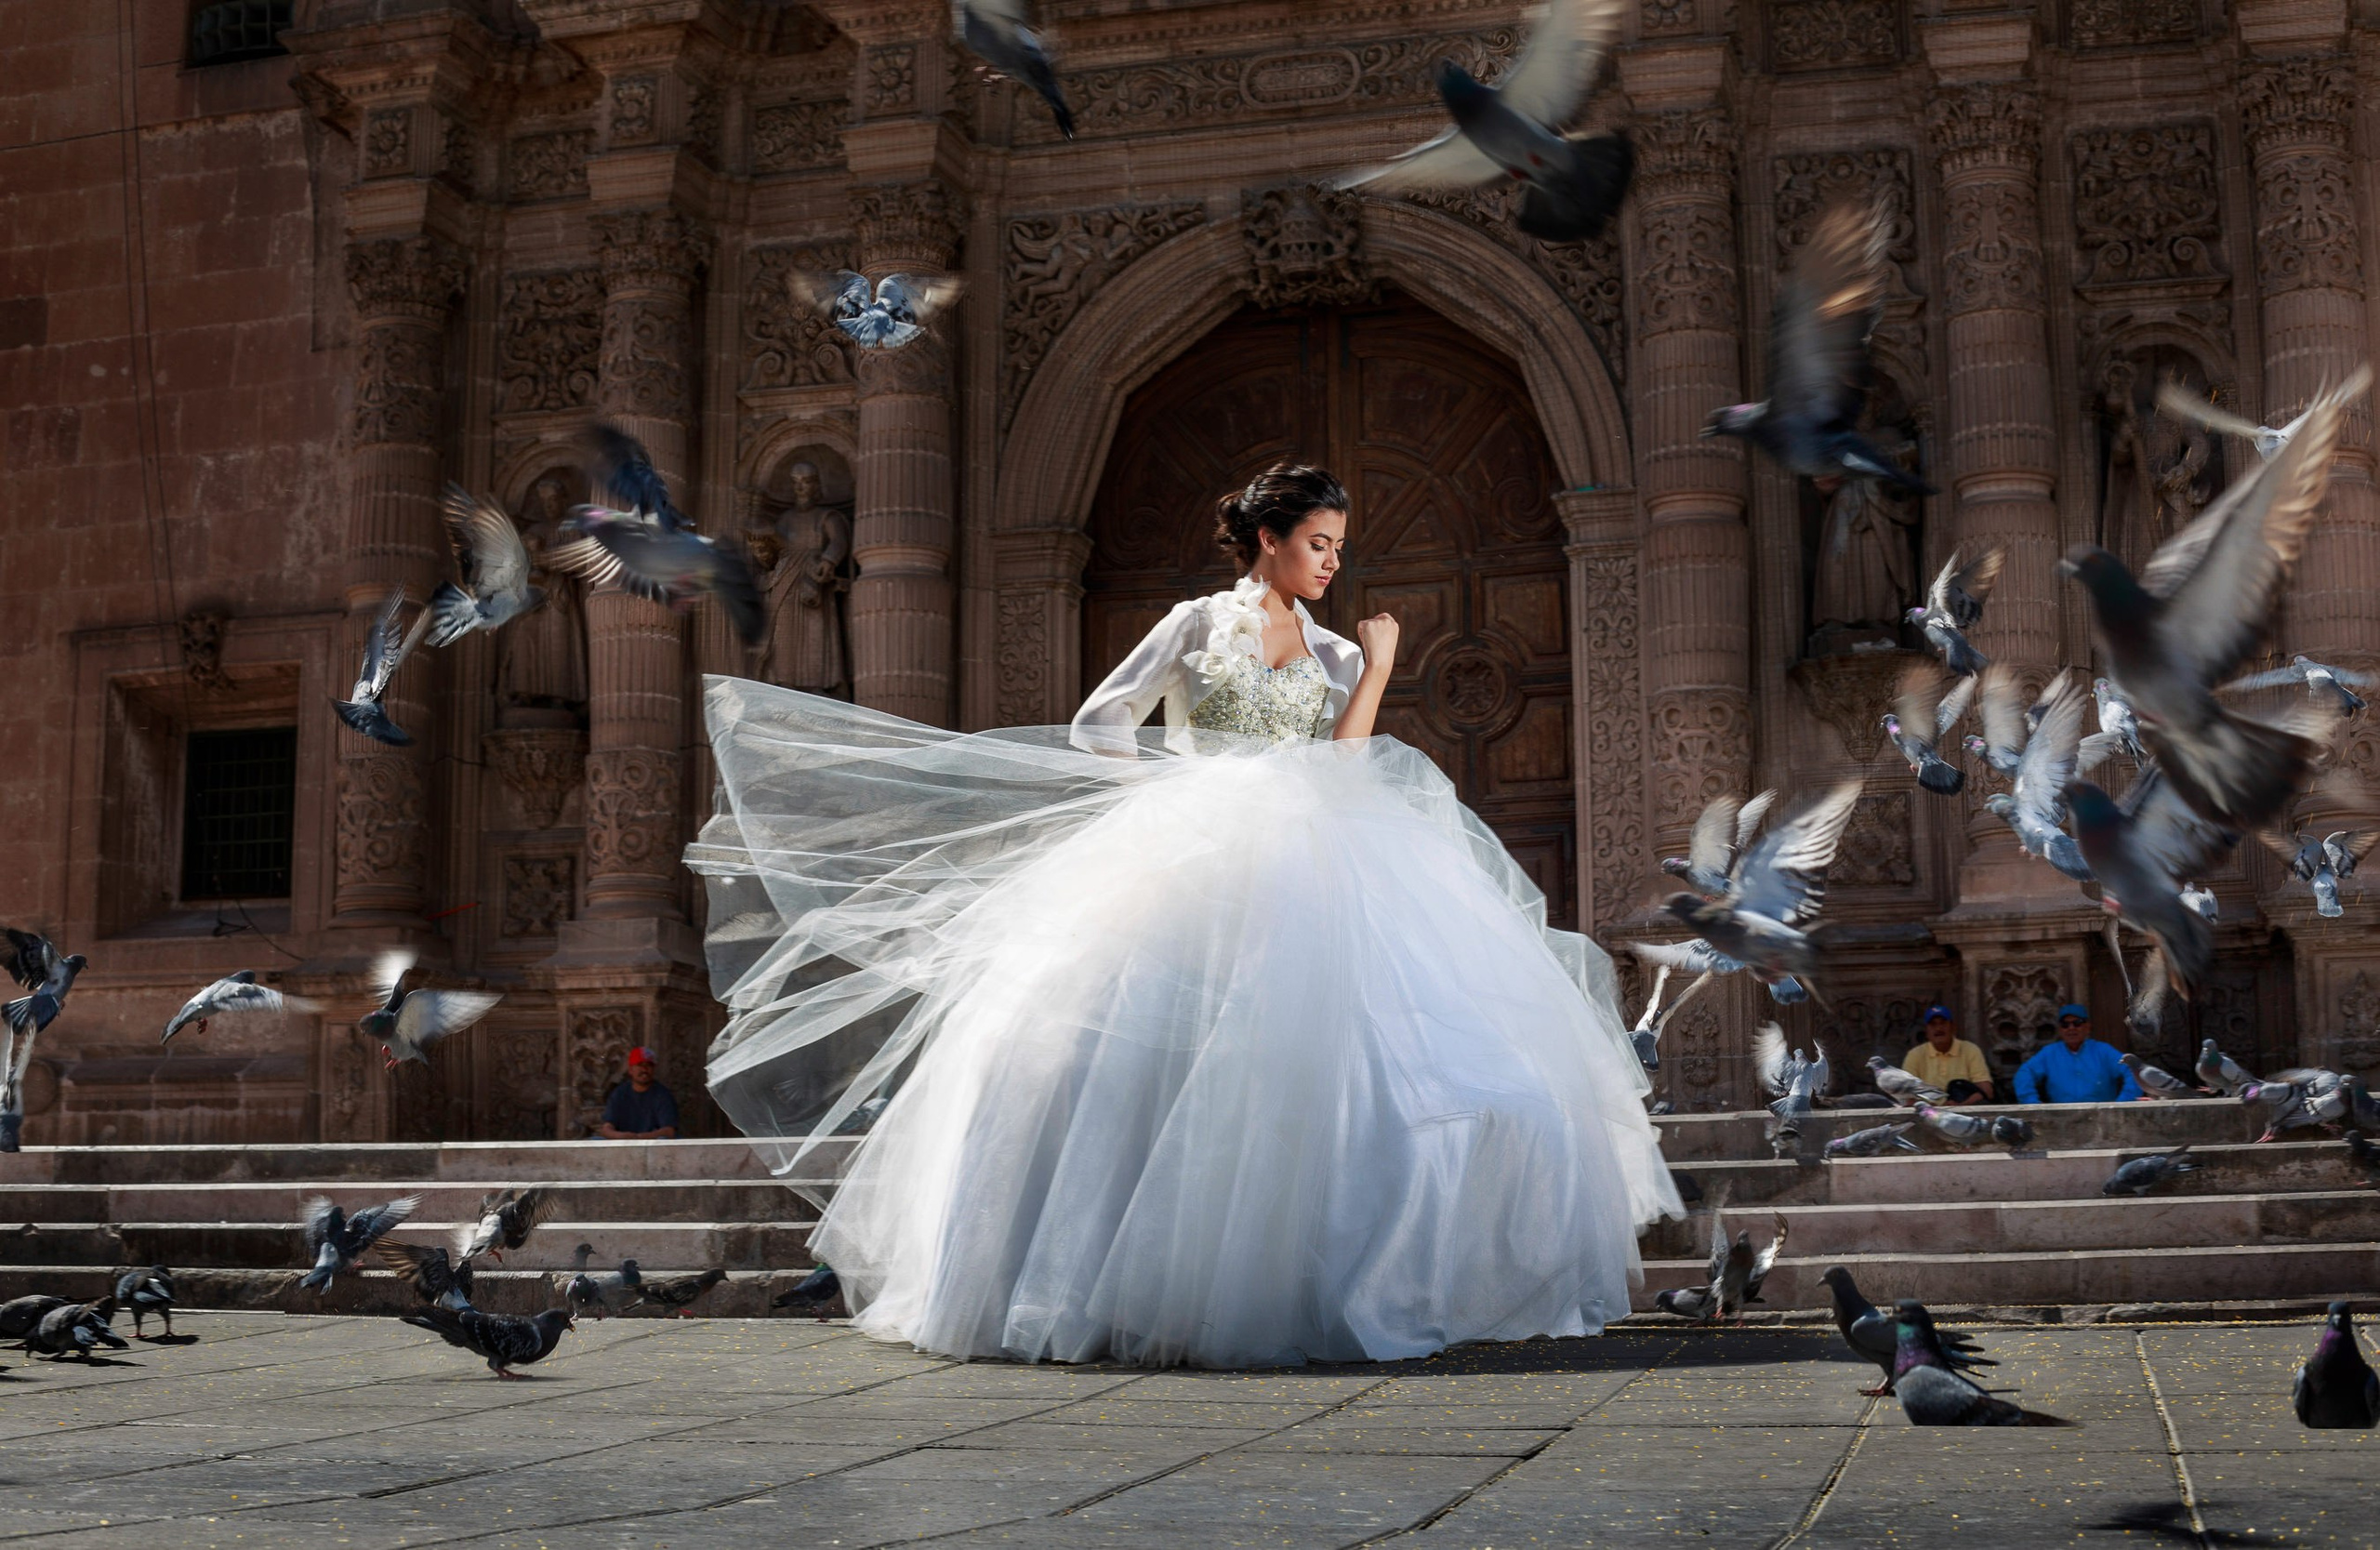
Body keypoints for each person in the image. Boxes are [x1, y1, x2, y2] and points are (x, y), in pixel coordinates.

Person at [691, 463, 1679, 1369]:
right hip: (1193, 843)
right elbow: (1098, 720)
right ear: (1267, 538)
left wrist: (1376, 670)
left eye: (1339, 545)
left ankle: (1326, 1275)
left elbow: (1341, 762)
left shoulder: (1337, 650)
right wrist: (1164, 794)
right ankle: (1096, 1278)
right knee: (1107, 1051)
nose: (1332, 562)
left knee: (1346, 1056)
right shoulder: (1194, 623)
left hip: (1312, 859)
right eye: (1318, 542)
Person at [2012, 1005, 2142, 1104]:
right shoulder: (2050, 1053)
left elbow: (2132, 1070)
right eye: (2065, 1025)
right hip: (2062, 1122)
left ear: (2087, 1027)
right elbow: (2024, 1073)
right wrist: (2034, 1106)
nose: (2071, 1028)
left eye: (2077, 1023)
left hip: (2102, 1121)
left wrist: (2123, 1104)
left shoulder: (2102, 1051)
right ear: (2060, 1030)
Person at [1901, 1005, 1993, 1105]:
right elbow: (1906, 1097)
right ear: (1926, 1031)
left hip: (1966, 1114)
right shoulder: (1915, 1055)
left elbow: (1987, 1091)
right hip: (1928, 1114)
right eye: (1933, 1024)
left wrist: (1960, 1106)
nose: (1938, 1028)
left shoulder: (1970, 1050)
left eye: (1943, 1023)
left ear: (1953, 1027)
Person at [597, 1047, 679, 1139]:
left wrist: (639, 1137)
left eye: (648, 1065)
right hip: (623, 1144)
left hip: (652, 1145)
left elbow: (668, 1131)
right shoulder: (619, 1093)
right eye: (640, 1065)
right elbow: (606, 1128)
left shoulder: (663, 1095)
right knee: (595, 1141)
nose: (644, 1070)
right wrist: (622, 1136)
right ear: (631, 1070)